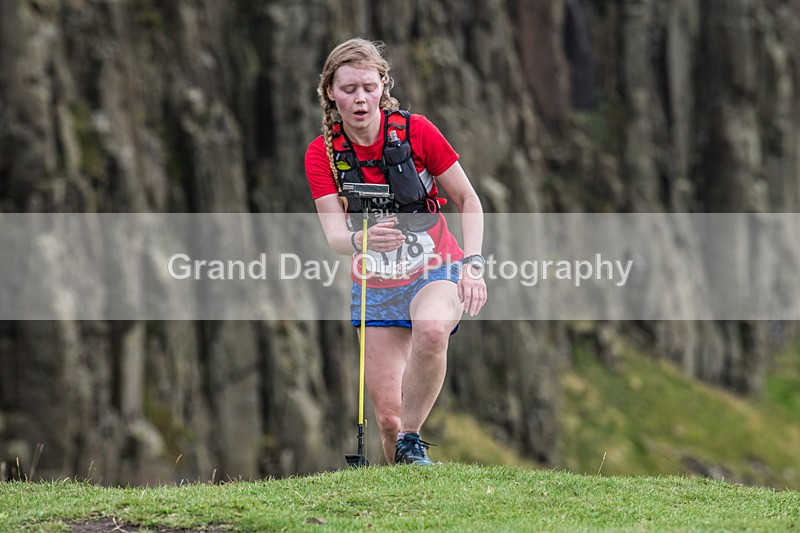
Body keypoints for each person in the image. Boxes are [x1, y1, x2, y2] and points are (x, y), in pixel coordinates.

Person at [304, 37, 487, 465]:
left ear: (382, 84)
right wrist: (360, 241)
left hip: (437, 268)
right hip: (377, 285)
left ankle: (412, 438)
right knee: (387, 421)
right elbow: (334, 236)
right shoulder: (323, 154)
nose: (360, 98)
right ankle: (407, 502)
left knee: (431, 329)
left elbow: (469, 199)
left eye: (368, 87)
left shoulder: (417, 131)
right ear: (331, 92)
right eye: (349, 89)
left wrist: (473, 266)